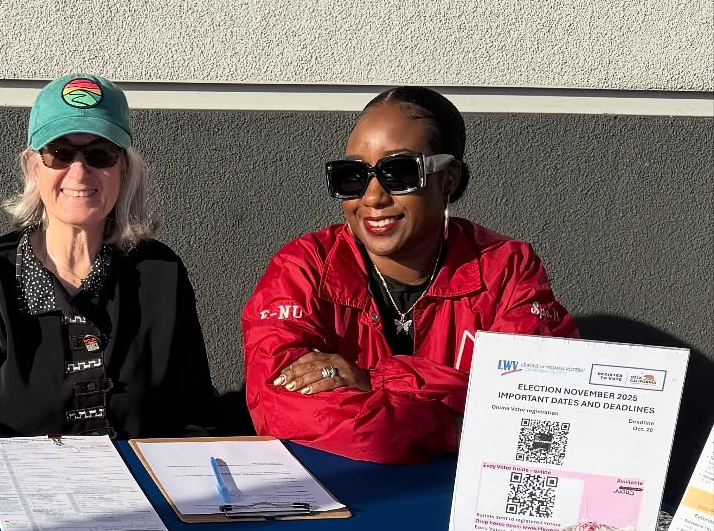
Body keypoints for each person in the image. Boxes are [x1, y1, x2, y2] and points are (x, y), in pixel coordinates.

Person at [241, 85, 578, 463]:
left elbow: (540, 404)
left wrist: (376, 379)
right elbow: (281, 408)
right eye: (353, 176)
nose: (372, 197)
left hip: (468, 500)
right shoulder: (304, 268)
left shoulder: (506, 269)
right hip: (341, 494)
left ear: (449, 178)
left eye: (398, 172)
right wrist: (458, 426)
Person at [0, 74, 216, 439]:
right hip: (26, 486)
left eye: (100, 154)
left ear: (124, 168)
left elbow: (194, 410)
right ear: (33, 166)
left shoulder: (159, 273)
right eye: (60, 153)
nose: (80, 171)